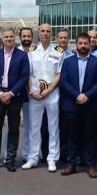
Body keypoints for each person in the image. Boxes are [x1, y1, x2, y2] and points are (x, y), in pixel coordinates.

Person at [59, 32, 97, 177]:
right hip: (72, 104)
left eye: (86, 43)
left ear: (89, 44)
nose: (83, 46)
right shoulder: (68, 62)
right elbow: (64, 82)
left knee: (90, 135)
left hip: (90, 105)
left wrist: (87, 95)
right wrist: (77, 95)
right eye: (80, 43)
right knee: (72, 135)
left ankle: (91, 165)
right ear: (76, 44)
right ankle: (71, 164)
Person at [0, 27, 29, 172]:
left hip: (15, 97)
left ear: (14, 38)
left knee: (14, 129)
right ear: (2, 39)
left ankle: (10, 159)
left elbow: (24, 77)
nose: (9, 39)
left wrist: (11, 93)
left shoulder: (22, 56)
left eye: (11, 36)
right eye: (6, 37)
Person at [24, 23, 63, 172]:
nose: (45, 34)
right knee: (34, 127)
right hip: (35, 95)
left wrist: (49, 90)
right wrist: (31, 90)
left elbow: (59, 74)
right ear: (38, 33)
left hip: (52, 95)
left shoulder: (58, 52)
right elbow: (28, 73)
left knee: (53, 128)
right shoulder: (32, 51)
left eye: (48, 31)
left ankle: (52, 158)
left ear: (51, 34)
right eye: (43, 31)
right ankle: (33, 158)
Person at [17, 26, 34, 164]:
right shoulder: (15, 52)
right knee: (11, 125)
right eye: (24, 36)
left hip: (31, 95)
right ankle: (7, 154)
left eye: (29, 36)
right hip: (16, 93)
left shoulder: (36, 52)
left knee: (30, 125)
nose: (26, 39)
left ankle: (27, 154)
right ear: (20, 37)